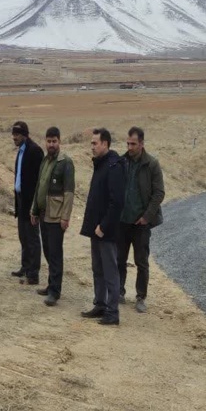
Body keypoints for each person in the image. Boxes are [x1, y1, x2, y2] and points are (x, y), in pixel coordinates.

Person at [80, 128, 126, 326]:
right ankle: (99, 304)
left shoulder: (114, 166)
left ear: (105, 144)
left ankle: (112, 312)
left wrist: (103, 227)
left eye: (95, 143)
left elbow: (117, 202)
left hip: (105, 231)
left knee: (110, 271)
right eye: (91, 143)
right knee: (97, 269)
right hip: (95, 229)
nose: (92, 146)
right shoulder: (100, 164)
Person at [117, 126, 165, 313]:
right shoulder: (122, 162)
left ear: (142, 144)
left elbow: (159, 193)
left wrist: (146, 217)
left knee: (141, 261)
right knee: (119, 258)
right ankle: (119, 291)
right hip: (122, 221)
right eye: (128, 143)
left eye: (133, 144)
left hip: (141, 224)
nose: (130, 147)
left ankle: (140, 297)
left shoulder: (152, 164)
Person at [30, 127, 75, 306]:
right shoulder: (45, 161)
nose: (51, 144)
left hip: (56, 217)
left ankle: (55, 292)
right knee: (48, 251)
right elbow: (39, 187)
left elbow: (69, 192)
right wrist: (34, 210)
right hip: (43, 214)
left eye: (54, 141)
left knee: (55, 253)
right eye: (48, 141)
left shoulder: (66, 163)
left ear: (59, 142)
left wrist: (65, 217)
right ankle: (50, 286)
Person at [10, 121, 44, 285]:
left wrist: (35, 207)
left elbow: (39, 181)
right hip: (20, 200)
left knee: (32, 238)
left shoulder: (35, 151)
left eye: (16, 134)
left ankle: (33, 273)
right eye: (13, 134)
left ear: (24, 134)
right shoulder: (21, 151)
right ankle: (25, 267)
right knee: (23, 236)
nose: (14, 138)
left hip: (31, 203)